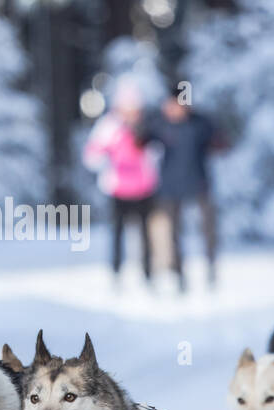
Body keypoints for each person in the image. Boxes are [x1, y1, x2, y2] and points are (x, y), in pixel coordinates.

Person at [83, 77, 158, 281]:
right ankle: (116, 271)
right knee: (118, 233)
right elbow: (91, 155)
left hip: (144, 188)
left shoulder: (147, 125)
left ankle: (148, 272)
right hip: (118, 189)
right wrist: (106, 161)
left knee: (145, 234)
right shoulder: (109, 126)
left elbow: (157, 152)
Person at [143, 95, 221, 290]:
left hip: (198, 183)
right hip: (170, 187)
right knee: (173, 233)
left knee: (207, 229)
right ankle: (178, 273)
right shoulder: (159, 125)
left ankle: (211, 266)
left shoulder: (199, 124)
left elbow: (219, 141)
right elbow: (141, 141)